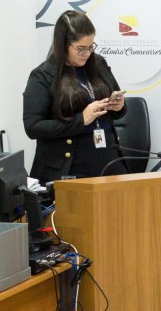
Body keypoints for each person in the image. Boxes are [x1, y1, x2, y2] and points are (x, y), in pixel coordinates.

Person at [23, 10, 127, 183]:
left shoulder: (98, 63)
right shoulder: (43, 75)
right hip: (70, 168)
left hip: (109, 161)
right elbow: (33, 127)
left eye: (91, 46)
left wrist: (119, 107)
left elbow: (117, 105)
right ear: (63, 44)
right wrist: (81, 120)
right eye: (80, 49)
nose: (87, 53)